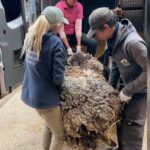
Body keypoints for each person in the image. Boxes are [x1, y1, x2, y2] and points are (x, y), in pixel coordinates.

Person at [87, 7, 147, 150]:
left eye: (96, 33)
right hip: (127, 86)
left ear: (106, 27)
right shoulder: (114, 38)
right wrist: (109, 89)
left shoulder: (132, 43)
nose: (96, 37)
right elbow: (115, 64)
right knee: (120, 120)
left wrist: (128, 90)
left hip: (140, 91)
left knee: (132, 125)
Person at [21, 6, 68, 150]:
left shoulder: (31, 37)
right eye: (61, 23)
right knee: (60, 135)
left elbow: (25, 65)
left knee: (49, 125)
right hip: (46, 99)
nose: (62, 25)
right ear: (54, 25)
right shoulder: (56, 44)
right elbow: (58, 79)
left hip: (31, 94)